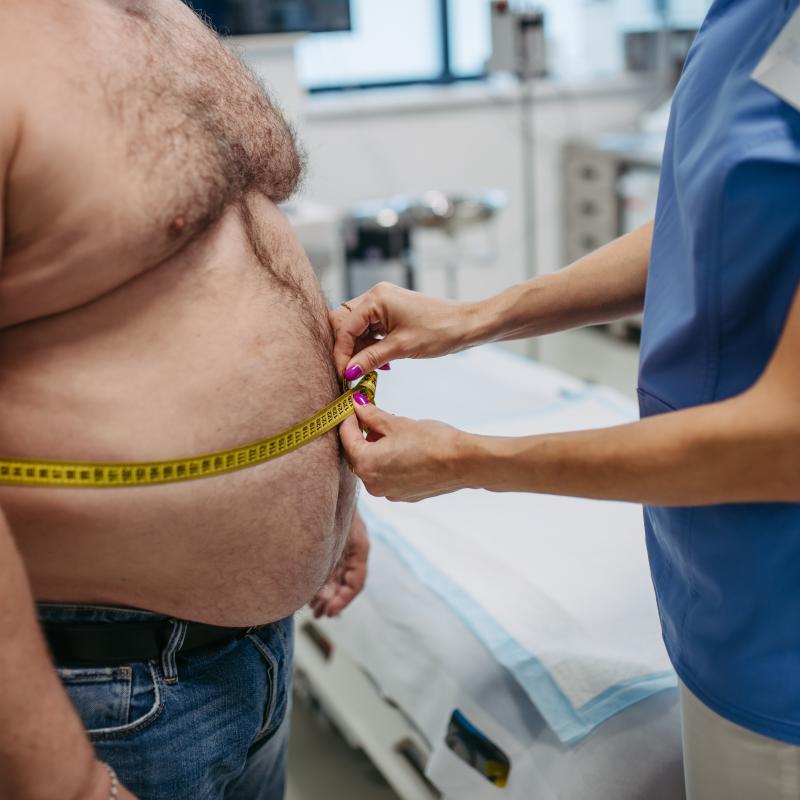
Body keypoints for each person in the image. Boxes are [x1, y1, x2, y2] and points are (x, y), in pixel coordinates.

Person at [332, 2, 800, 798]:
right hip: (713, 586)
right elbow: (713, 215)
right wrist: (480, 316)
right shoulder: (745, 15)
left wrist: (470, 459)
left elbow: (783, 439)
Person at [0, 2, 368, 799]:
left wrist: (329, 485)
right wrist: (61, 779)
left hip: (253, 654)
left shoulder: (153, 13)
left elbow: (231, 246)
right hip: (98, 694)